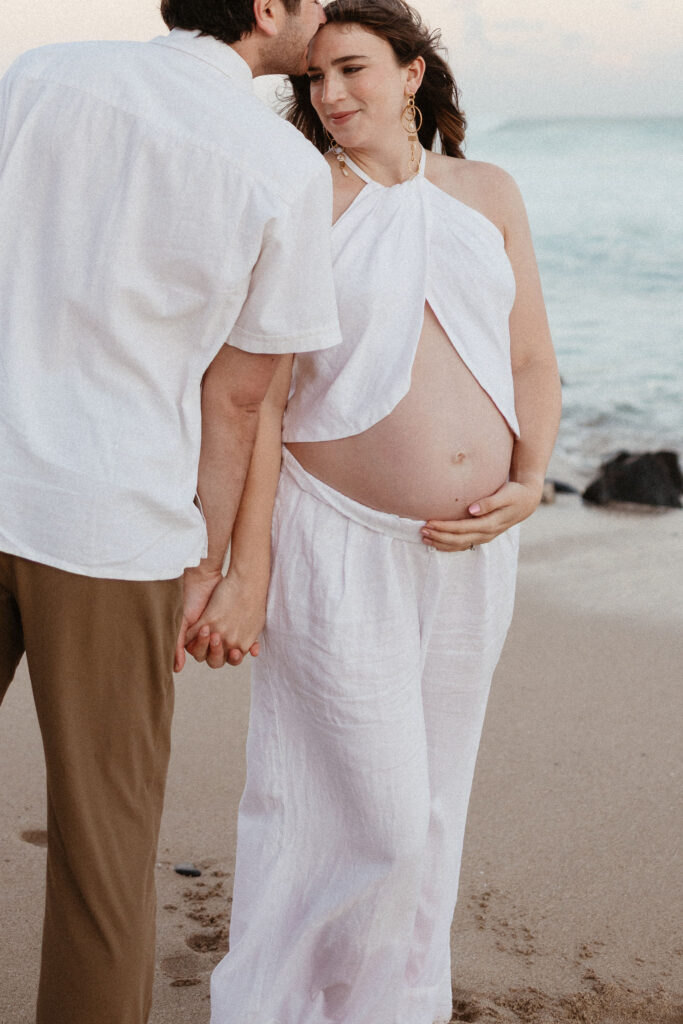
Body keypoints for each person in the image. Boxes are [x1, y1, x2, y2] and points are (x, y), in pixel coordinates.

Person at [186, 0, 562, 1020]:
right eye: (312, 79)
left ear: (410, 73)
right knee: (361, 813)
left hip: (470, 551)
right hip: (333, 537)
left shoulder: (488, 191)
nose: (329, 93)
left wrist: (529, 482)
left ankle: (387, 1004)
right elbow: (259, 401)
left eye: (350, 69)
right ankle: (275, 999)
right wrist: (244, 566)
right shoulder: (305, 196)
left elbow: (528, 356)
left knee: (430, 810)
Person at [0, 0, 342, 1020]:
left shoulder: (37, 75)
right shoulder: (278, 167)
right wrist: (204, 563)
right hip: (110, 525)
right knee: (102, 862)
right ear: (268, 9)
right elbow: (238, 398)